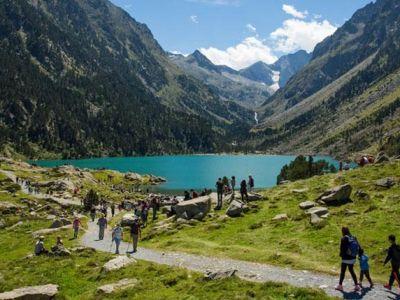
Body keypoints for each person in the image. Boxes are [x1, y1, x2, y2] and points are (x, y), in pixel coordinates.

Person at [335, 227, 360, 292]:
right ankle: (357, 286)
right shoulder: (354, 237)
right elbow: (359, 247)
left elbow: (342, 249)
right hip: (353, 258)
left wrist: (341, 255)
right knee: (351, 270)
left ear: (343, 231)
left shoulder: (344, 238)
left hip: (346, 258)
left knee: (343, 272)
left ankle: (340, 286)